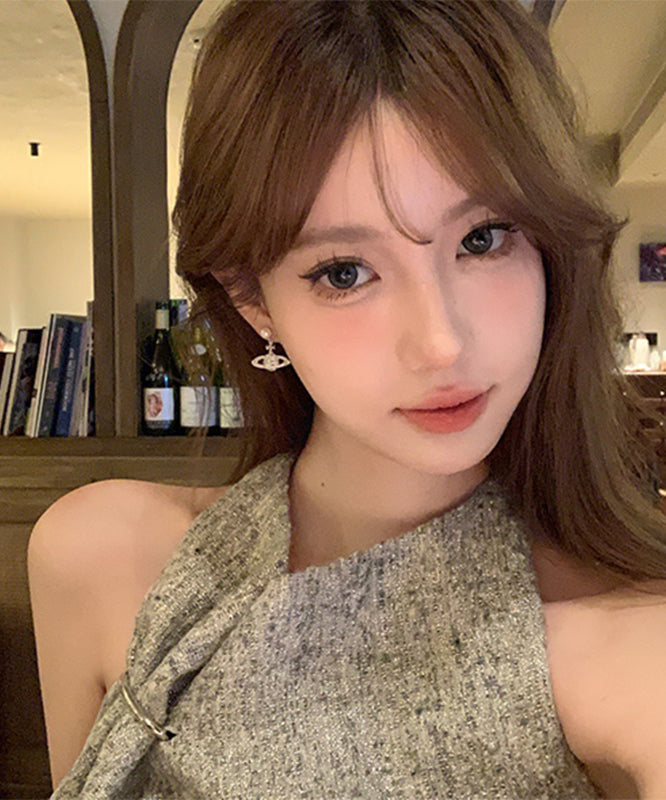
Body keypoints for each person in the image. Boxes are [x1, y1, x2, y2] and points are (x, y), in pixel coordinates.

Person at [27, 1, 666, 797]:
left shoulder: (625, 645)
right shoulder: (99, 558)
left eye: (482, 238)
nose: (441, 342)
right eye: (344, 272)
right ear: (253, 299)